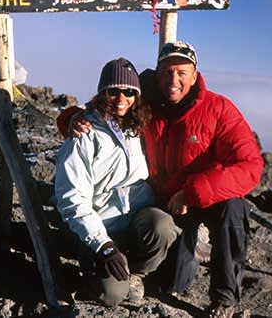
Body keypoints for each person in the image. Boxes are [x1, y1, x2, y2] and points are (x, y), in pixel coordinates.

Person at [58, 42, 264, 318]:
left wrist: (193, 194)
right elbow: (107, 100)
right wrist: (71, 118)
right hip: (164, 201)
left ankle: (225, 298)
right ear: (156, 73)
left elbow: (250, 165)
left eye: (181, 72)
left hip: (204, 196)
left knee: (234, 209)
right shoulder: (145, 98)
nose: (173, 80)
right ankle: (126, 267)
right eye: (166, 71)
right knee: (172, 284)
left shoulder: (219, 109)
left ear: (194, 74)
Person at [55, 57, 181, 307]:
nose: (122, 98)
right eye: (113, 91)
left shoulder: (139, 125)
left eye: (129, 92)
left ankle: (136, 273)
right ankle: (98, 267)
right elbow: (72, 200)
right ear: (103, 93)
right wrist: (105, 246)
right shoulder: (83, 135)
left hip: (136, 218)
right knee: (110, 296)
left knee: (163, 226)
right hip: (101, 226)